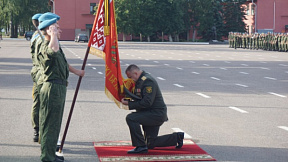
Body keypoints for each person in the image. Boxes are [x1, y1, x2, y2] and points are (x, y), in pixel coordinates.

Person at [37, 14, 85, 162]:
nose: (59, 29)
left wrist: (77, 72)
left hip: (58, 87)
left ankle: (50, 155)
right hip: (52, 88)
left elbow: (63, 63)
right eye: (56, 27)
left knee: (54, 124)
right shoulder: (47, 45)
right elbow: (54, 51)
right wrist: (52, 35)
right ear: (49, 28)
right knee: (50, 125)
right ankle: (47, 157)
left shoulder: (53, 43)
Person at [121, 64, 184, 154]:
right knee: (151, 143)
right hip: (149, 113)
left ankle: (141, 146)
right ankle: (177, 137)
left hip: (156, 114)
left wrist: (130, 104)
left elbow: (147, 102)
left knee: (130, 118)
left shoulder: (147, 81)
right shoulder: (140, 81)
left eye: (131, 77)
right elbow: (139, 98)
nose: (131, 80)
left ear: (135, 73)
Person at [30, 13, 43, 142]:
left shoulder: (35, 36)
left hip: (36, 72)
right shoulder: (40, 37)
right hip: (42, 74)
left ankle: (36, 129)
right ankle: (39, 130)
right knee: (41, 103)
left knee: (36, 102)